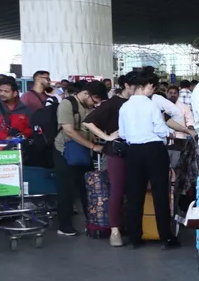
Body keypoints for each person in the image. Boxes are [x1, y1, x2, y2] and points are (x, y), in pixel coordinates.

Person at [117, 69, 184, 249]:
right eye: (151, 87)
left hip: (133, 152)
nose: (152, 91)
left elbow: (122, 133)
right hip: (154, 150)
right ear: (145, 87)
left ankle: (135, 237)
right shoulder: (151, 105)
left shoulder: (124, 107)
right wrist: (169, 133)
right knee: (160, 194)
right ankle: (166, 237)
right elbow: (161, 130)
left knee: (134, 195)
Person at [52, 81, 107, 236]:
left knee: (87, 189)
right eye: (94, 100)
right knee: (66, 190)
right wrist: (92, 146)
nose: (95, 104)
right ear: (86, 94)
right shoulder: (67, 104)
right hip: (65, 152)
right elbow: (68, 130)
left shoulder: (89, 108)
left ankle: (93, 223)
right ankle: (64, 225)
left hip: (84, 153)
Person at [84, 74, 133, 247]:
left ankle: (127, 226)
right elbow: (88, 122)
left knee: (132, 191)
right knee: (117, 191)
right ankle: (115, 230)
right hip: (116, 151)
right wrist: (107, 137)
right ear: (127, 85)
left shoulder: (139, 102)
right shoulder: (112, 103)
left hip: (135, 150)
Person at [0, 75, 33, 140]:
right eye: (1, 91)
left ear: (15, 93)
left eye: (6, 91)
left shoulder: (26, 110)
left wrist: (22, 135)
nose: (2, 94)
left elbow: (31, 129)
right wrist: (6, 138)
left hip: (20, 147)